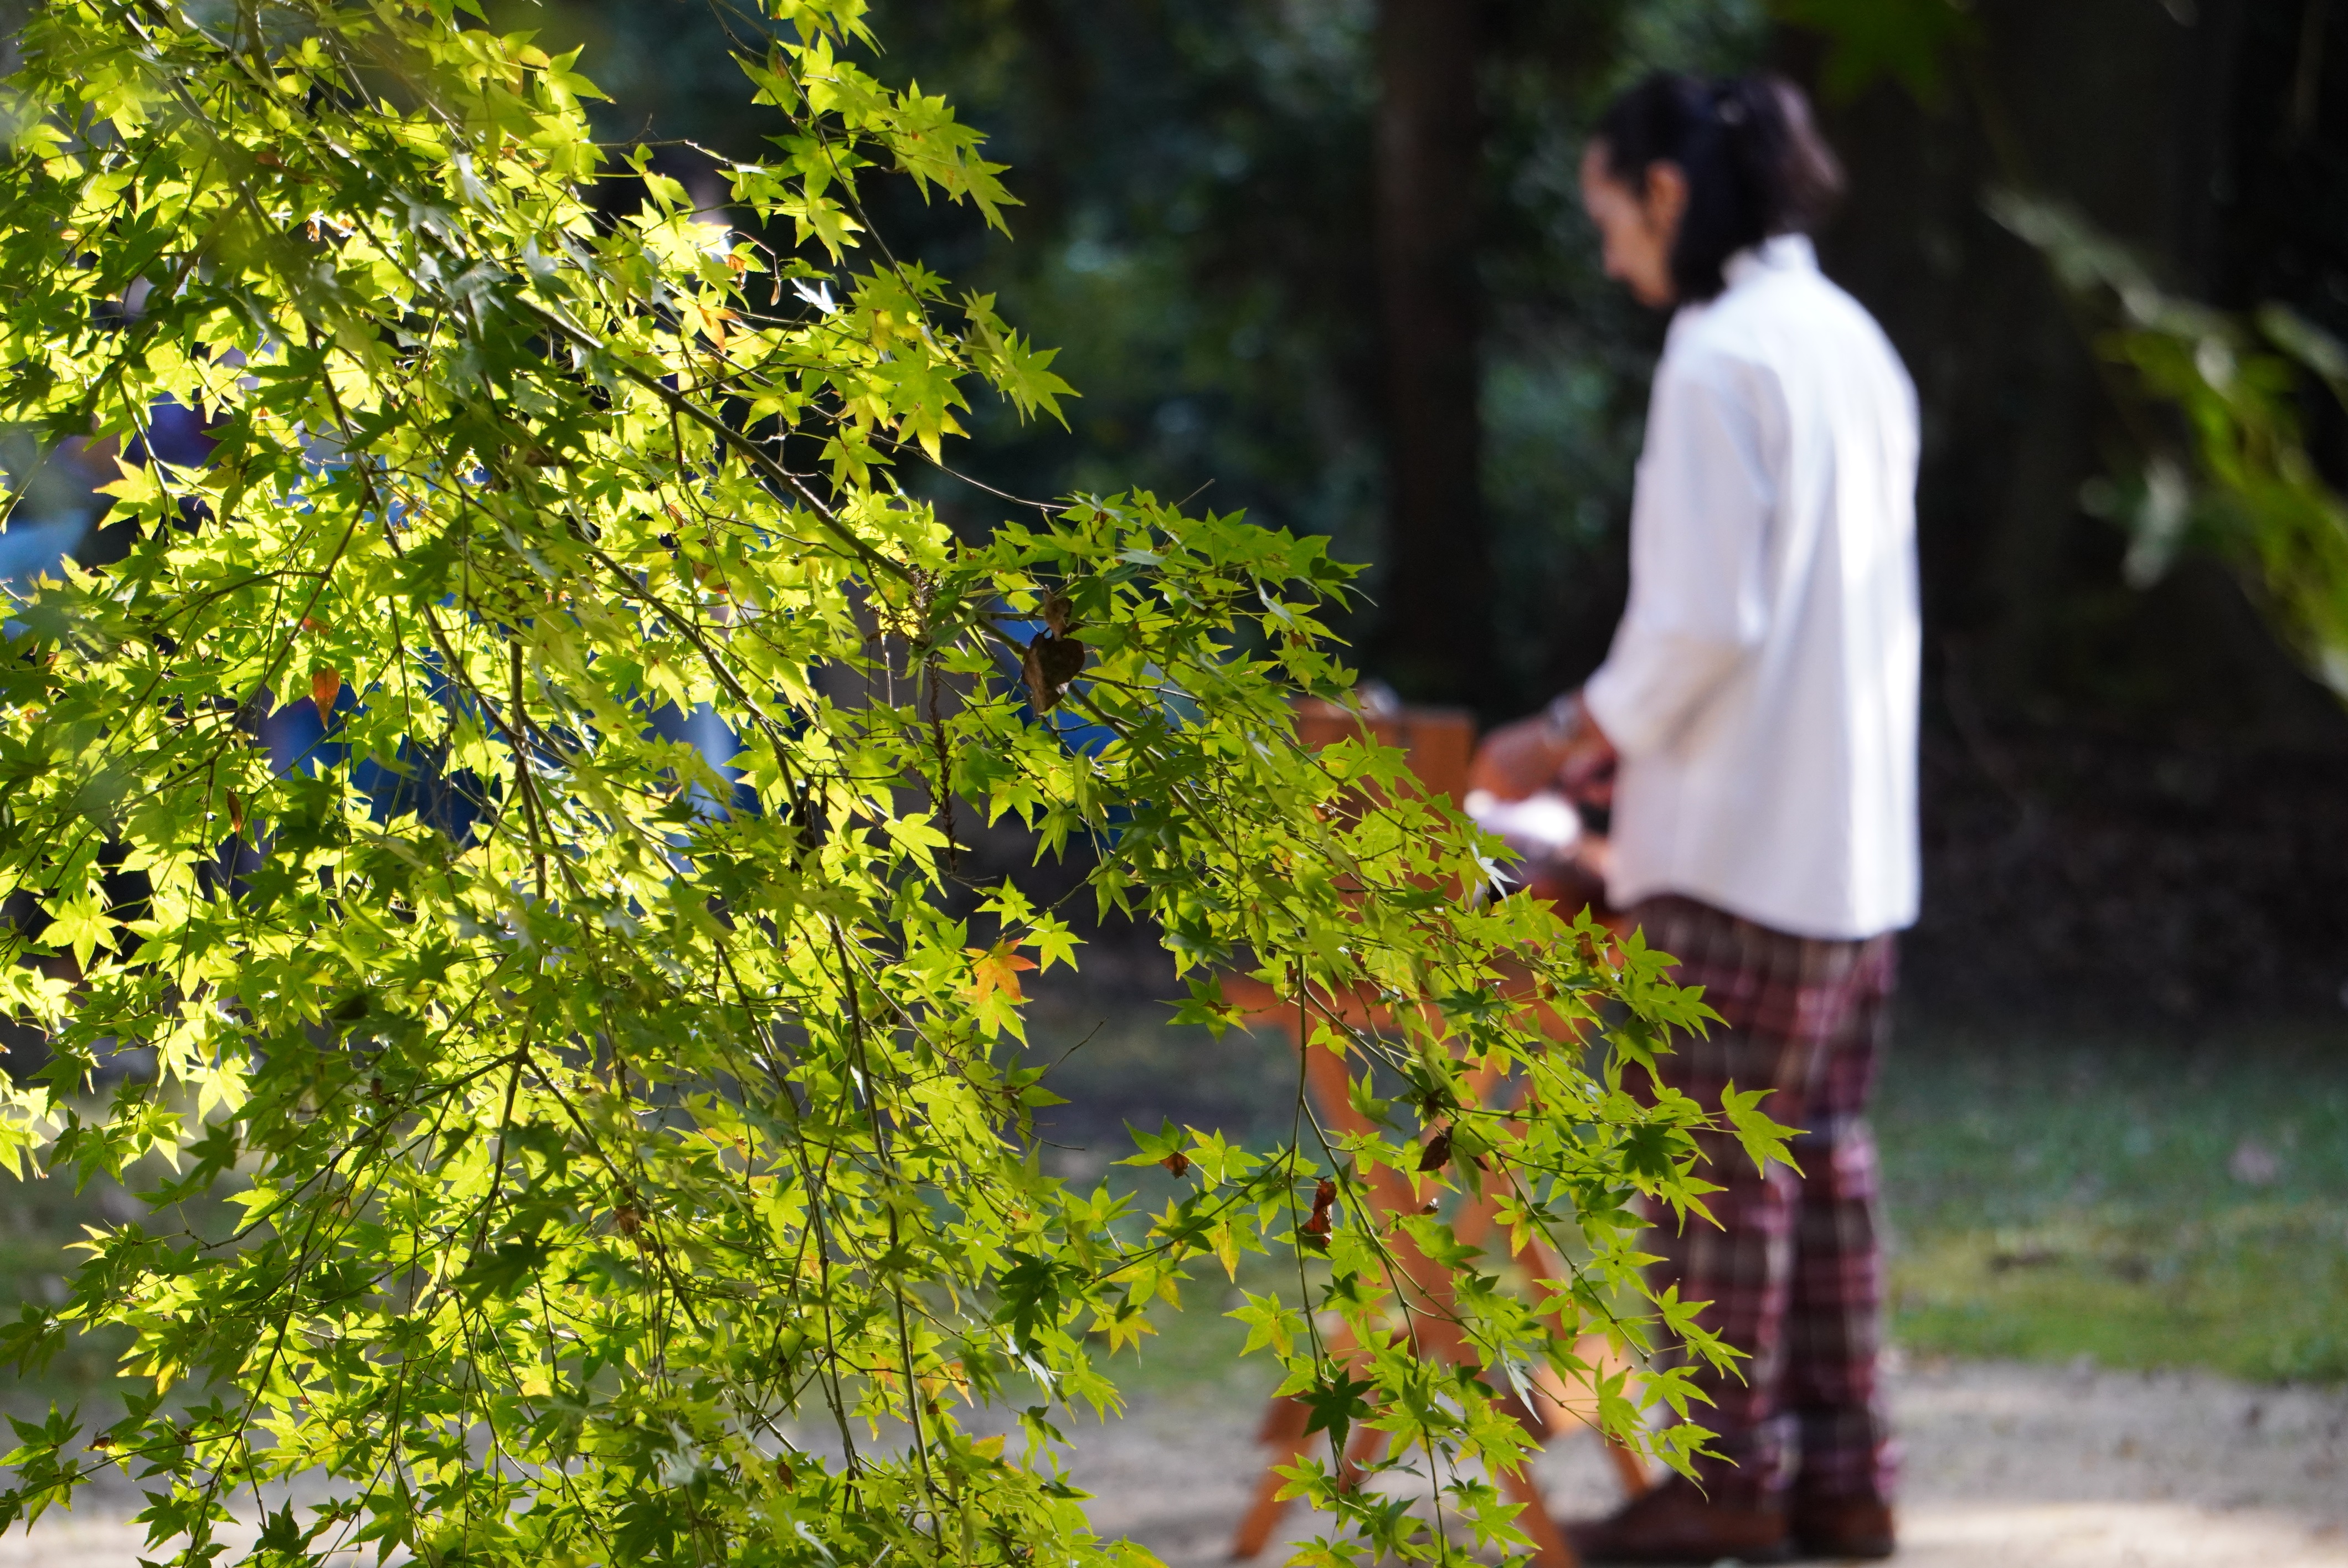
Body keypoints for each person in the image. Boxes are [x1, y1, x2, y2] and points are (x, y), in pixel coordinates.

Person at [1470, 71, 1919, 1564]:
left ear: (1665, 192)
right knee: (1825, 1177)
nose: (1610, 256)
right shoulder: (1852, 341)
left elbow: (1700, 628)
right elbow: (1785, 628)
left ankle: (1728, 1496)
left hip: (1735, 858)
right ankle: (1845, 1487)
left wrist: (1557, 742)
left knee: (1717, 1191)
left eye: (1611, 216)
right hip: (1853, 859)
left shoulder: (1723, 354)